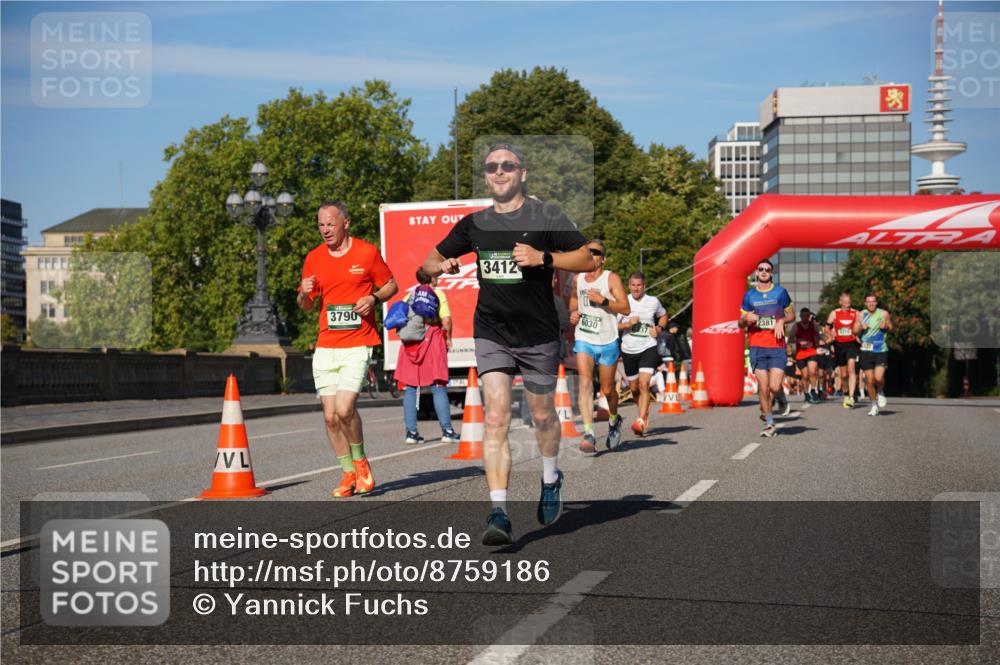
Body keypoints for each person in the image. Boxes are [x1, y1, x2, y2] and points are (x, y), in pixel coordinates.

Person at [422, 142, 594, 546]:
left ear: (522, 172)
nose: (498, 172)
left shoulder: (546, 216)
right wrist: (440, 265)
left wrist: (544, 258)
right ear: (486, 175)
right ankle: (498, 511)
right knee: (496, 416)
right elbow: (427, 261)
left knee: (542, 416)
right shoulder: (475, 223)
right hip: (492, 331)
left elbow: (586, 257)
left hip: (538, 334)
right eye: (491, 166)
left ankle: (550, 477)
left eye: (507, 165)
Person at [299, 201, 398, 497]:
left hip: (358, 342)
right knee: (330, 417)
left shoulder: (366, 252)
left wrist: (374, 299)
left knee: (344, 409)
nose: (325, 229)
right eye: (320, 224)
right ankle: (348, 474)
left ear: (345, 223)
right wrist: (304, 293)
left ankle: (361, 462)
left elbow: (391, 285)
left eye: (330, 223)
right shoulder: (314, 258)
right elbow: (306, 306)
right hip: (326, 345)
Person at [568, 239, 629, 454]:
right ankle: (589, 433)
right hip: (584, 337)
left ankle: (614, 419)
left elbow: (626, 308)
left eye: (596, 252)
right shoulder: (578, 279)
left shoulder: (610, 278)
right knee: (585, 383)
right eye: (588, 251)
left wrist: (604, 301)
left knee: (607, 389)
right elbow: (574, 302)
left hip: (608, 339)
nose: (591, 255)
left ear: (603, 258)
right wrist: (573, 315)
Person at [396, 269, 460, 445]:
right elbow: (446, 320)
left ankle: (411, 433)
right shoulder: (438, 294)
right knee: (438, 386)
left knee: (410, 388)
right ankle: (447, 431)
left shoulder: (409, 295)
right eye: (436, 275)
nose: (438, 278)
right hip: (431, 341)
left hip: (411, 344)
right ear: (432, 278)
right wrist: (448, 338)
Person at [739, 258, 792, 437]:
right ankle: (770, 423)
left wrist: (781, 321)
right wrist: (745, 319)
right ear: (756, 272)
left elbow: (791, 313)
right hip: (757, 345)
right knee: (763, 386)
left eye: (767, 270)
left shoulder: (780, 292)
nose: (763, 272)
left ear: (771, 273)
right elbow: (740, 323)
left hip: (776, 345)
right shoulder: (749, 295)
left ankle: (781, 398)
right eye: (760, 269)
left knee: (775, 386)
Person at [617, 272, 668, 437]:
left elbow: (663, 315)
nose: (636, 288)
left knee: (644, 384)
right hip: (628, 349)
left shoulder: (653, 301)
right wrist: (627, 324)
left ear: (644, 286)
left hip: (648, 346)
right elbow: (614, 326)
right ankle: (644, 411)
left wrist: (659, 328)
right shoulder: (623, 302)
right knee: (634, 388)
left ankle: (640, 420)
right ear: (629, 285)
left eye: (639, 285)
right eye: (633, 285)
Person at [855, 294, 892, 416]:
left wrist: (885, 326)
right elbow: (854, 330)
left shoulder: (884, 313)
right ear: (865, 303)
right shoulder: (860, 314)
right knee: (869, 381)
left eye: (873, 301)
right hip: (865, 350)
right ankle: (873, 405)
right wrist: (860, 327)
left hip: (880, 349)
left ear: (876, 303)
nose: (871, 304)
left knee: (878, 378)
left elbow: (891, 326)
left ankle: (880, 391)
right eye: (868, 302)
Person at [827, 292, 861, 409]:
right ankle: (846, 392)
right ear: (840, 302)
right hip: (839, 345)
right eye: (845, 302)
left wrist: (858, 332)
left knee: (851, 368)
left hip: (852, 344)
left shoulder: (856, 313)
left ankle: (851, 396)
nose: (847, 305)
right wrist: (831, 335)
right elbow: (826, 327)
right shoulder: (834, 313)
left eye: (849, 302)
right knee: (844, 374)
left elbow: (860, 326)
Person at [789, 308, 821, 403]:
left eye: (807, 316)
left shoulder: (813, 325)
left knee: (812, 372)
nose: (805, 318)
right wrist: (798, 341)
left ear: (809, 316)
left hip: (812, 351)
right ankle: (806, 393)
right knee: (805, 375)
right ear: (800, 316)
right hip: (800, 354)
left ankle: (813, 390)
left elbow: (819, 335)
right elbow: (790, 339)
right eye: (803, 316)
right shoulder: (796, 326)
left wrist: (817, 339)